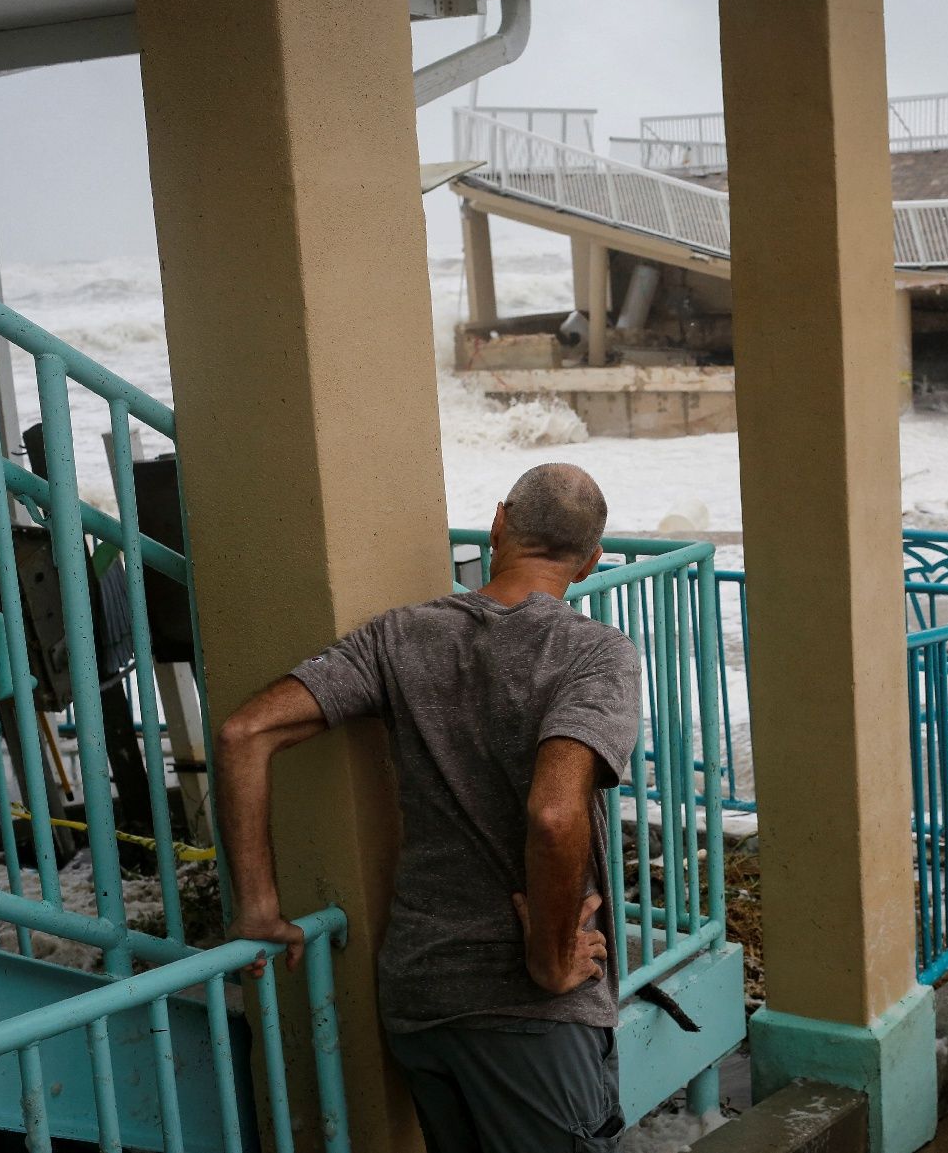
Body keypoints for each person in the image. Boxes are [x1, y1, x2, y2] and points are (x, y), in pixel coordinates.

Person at [213, 463, 640, 1152]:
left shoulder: (399, 636)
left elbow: (244, 733)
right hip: (526, 1015)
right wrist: (548, 956)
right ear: (591, 562)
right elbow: (556, 815)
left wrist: (257, 906)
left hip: (419, 995)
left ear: (499, 524)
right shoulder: (595, 655)